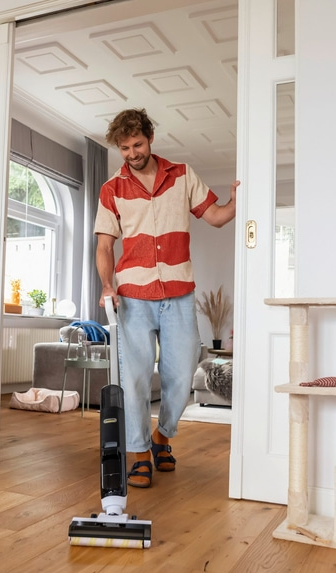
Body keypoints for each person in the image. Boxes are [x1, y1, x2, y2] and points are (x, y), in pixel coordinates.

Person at [94, 108, 239, 488]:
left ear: (150, 138)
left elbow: (218, 217)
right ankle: (140, 451)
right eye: (124, 148)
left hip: (178, 294)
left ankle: (163, 436)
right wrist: (108, 284)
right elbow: (105, 246)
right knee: (136, 378)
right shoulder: (112, 189)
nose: (131, 153)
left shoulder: (182, 175)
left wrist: (238, 200)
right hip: (133, 299)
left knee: (179, 377)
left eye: (137, 144)